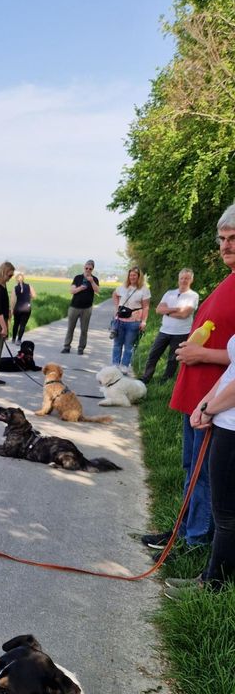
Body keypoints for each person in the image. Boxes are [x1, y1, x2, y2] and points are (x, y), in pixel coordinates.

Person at [142, 202, 235, 562]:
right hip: (197, 394)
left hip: (218, 400)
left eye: (233, 238)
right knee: (191, 469)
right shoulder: (227, 280)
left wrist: (202, 356)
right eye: (222, 238)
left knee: (206, 475)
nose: (226, 245)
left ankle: (194, 542)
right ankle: (184, 528)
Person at [164, 334, 235, 599]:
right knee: (224, 510)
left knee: (226, 514)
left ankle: (213, 585)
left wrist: (210, 409)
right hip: (225, 419)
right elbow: (232, 369)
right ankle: (210, 577)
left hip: (232, 427)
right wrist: (205, 403)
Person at [141, 269, 199, 384]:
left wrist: (167, 311)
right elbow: (158, 310)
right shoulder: (169, 293)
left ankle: (165, 381)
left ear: (191, 280)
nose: (184, 281)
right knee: (153, 355)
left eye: (187, 278)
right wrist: (175, 309)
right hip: (164, 331)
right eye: (182, 278)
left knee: (173, 359)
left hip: (181, 332)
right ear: (178, 279)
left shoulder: (193, 296)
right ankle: (145, 378)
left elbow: (184, 314)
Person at [110, 266, 151, 375]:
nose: (132, 277)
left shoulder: (144, 290)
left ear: (139, 277)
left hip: (134, 322)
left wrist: (143, 321)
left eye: (135, 275)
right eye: (131, 275)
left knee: (128, 347)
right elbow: (115, 294)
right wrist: (116, 307)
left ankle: (123, 368)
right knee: (117, 345)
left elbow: (146, 307)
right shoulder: (123, 287)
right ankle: (115, 367)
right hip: (120, 321)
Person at [61, 259, 100, 355]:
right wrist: (80, 288)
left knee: (84, 329)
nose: (88, 270)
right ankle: (66, 347)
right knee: (70, 328)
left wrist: (91, 282)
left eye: (90, 269)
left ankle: (81, 348)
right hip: (74, 307)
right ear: (84, 267)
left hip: (87, 308)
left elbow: (97, 291)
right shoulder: (78, 278)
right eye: (86, 268)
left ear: (92, 269)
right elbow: (72, 291)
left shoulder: (94, 279)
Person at [10, 272, 37, 344]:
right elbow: (34, 295)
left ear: (16, 280)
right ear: (23, 279)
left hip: (18, 308)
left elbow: (12, 300)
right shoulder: (29, 286)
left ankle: (13, 339)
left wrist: (12, 309)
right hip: (26, 308)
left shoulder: (15, 288)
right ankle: (19, 340)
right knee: (23, 324)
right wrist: (28, 297)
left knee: (16, 324)